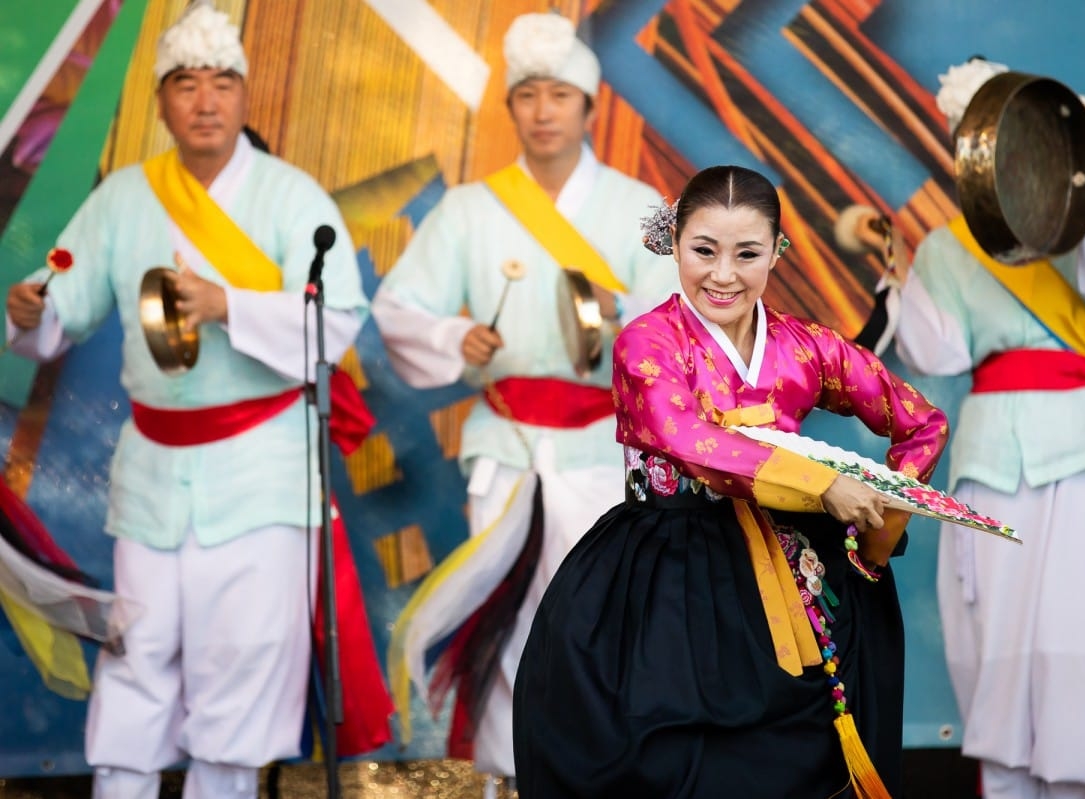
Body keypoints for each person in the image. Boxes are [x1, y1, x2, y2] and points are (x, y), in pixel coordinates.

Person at [3, 2, 371, 797]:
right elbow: (61, 285)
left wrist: (228, 303)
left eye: (222, 83)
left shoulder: (294, 199)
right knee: (136, 656)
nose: (205, 101)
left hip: (262, 476)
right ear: (161, 101)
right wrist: (34, 307)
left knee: (241, 672)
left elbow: (335, 325)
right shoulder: (122, 199)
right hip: (152, 475)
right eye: (184, 83)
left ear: (244, 98)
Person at [512, 164, 949, 799]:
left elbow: (922, 422)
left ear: (777, 251)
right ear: (673, 243)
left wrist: (876, 527)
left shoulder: (807, 347)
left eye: (747, 253)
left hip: (799, 573)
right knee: (660, 749)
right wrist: (821, 483)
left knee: (806, 756)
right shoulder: (647, 343)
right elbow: (685, 437)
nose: (723, 274)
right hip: (668, 569)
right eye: (704, 251)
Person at [850, 58, 1085, 799]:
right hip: (991, 451)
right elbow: (938, 350)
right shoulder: (948, 243)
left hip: (1081, 446)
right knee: (997, 641)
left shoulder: (1078, 218)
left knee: (1081, 637)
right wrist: (899, 266)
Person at [371, 11, 678, 794]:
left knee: (607, 625)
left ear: (589, 108)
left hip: (605, 451)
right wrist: (453, 336)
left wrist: (619, 331)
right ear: (511, 108)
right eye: (529, 95)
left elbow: (684, 328)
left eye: (560, 96)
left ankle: (605, 778)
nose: (543, 111)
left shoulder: (643, 207)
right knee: (509, 625)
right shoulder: (471, 210)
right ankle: (510, 778)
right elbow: (399, 309)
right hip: (506, 447)